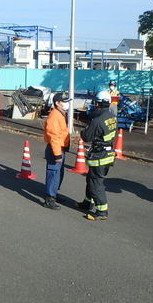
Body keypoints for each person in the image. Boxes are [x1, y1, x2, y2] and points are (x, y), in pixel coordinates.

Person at [79, 90, 118, 220]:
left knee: (96, 183)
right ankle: (87, 203)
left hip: (99, 156)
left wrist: (84, 130)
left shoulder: (97, 120)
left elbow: (86, 137)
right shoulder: (112, 116)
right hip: (108, 154)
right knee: (90, 179)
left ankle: (102, 211)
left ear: (98, 103)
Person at [42, 92, 71, 210]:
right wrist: (58, 154)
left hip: (60, 147)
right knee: (53, 173)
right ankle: (49, 198)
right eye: (64, 102)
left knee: (58, 173)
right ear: (57, 103)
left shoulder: (61, 113)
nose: (67, 104)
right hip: (56, 149)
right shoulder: (55, 115)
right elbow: (54, 136)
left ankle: (54, 193)